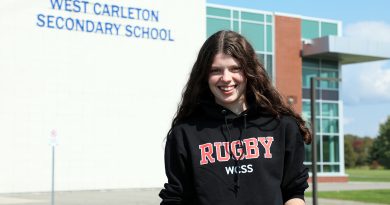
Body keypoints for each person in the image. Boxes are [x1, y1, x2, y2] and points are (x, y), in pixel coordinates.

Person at [159, 30, 312, 205]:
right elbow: (176, 197)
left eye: (235, 69)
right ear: (204, 76)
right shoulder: (185, 132)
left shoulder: (281, 125)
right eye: (215, 70)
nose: (226, 78)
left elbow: (293, 192)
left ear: (249, 71)